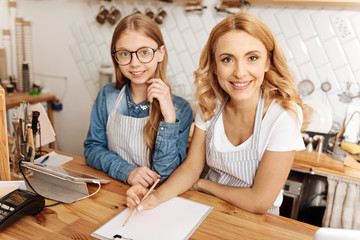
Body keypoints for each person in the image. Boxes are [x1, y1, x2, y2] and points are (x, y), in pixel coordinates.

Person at [125, 11, 311, 215]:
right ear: (214, 65)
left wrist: (202, 185)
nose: (240, 72)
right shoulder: (210, 105)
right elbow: (191, 167)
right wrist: (155, 197)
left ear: (268, 62)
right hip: (208, 210)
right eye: (227, 59)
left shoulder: (283, 117)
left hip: (256, 223)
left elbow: (259, 201)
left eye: (252, 58)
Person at [84, 13, 193, 188]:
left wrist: (169, 119)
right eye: (125, 54)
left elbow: (164, 175)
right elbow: (92, 149)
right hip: (114, 189)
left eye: (144, 52)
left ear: (160, 53)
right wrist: (127, 171)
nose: (135, 63)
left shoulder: (180, 109)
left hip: (156, 199)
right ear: (116, 57)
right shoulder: (107, 95)